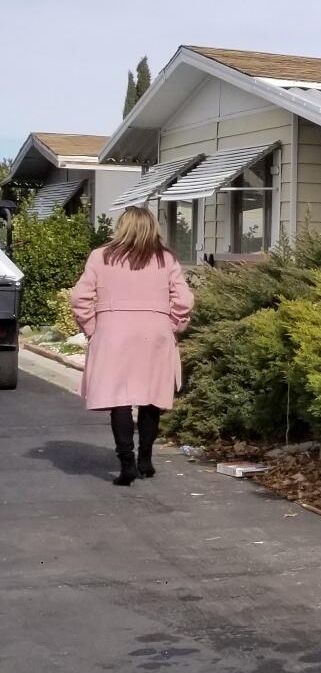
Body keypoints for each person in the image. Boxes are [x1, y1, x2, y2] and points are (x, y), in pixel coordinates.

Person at [69, 207, 194, 486]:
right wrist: (172, 323)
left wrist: (91, 328)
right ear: (153, 227)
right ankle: (145, 460)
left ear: (121, 227)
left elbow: (79, 298)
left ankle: (127, 464)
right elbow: (185, 300)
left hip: (113, 332)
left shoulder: (101, 256)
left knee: (119, 399)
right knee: (152, 397)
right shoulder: (165, 259)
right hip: (156, 333)